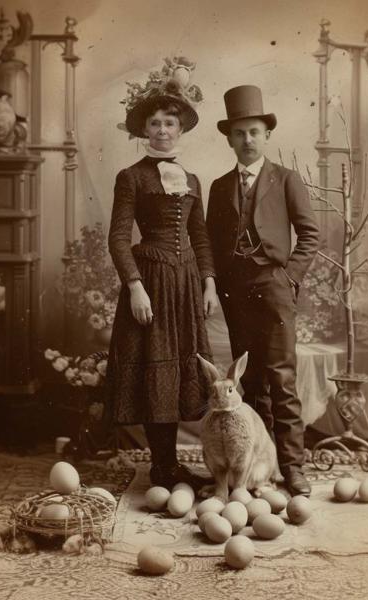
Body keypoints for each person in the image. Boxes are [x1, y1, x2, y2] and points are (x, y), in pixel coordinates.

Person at [106, 64, 218, 490]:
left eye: (169, 122)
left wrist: (208, 281)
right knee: (156, 368)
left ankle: (172, 466)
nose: (162, 130)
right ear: (144, 130)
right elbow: (119, 238)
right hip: (151, 283)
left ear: (180, 128)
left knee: (180, 367)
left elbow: (200, 235)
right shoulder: (131, 177)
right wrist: (135, 286)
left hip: (185, 283)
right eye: (154, 123)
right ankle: (163, 466)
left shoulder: (192, 180)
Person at [206, 85, 319, 497]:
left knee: (282, 381)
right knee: (249, 383)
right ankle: (256, 466)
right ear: (229, 139)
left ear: (266, 134)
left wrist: (289, 278)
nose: (247, 140)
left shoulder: (286, 179)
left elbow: (310, 234)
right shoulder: (220, 187)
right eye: (239, 133)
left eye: (254, 132)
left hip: (274, 287)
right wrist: (216, 283)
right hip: (236, 293)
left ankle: (292, 468)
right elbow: (211, 245)